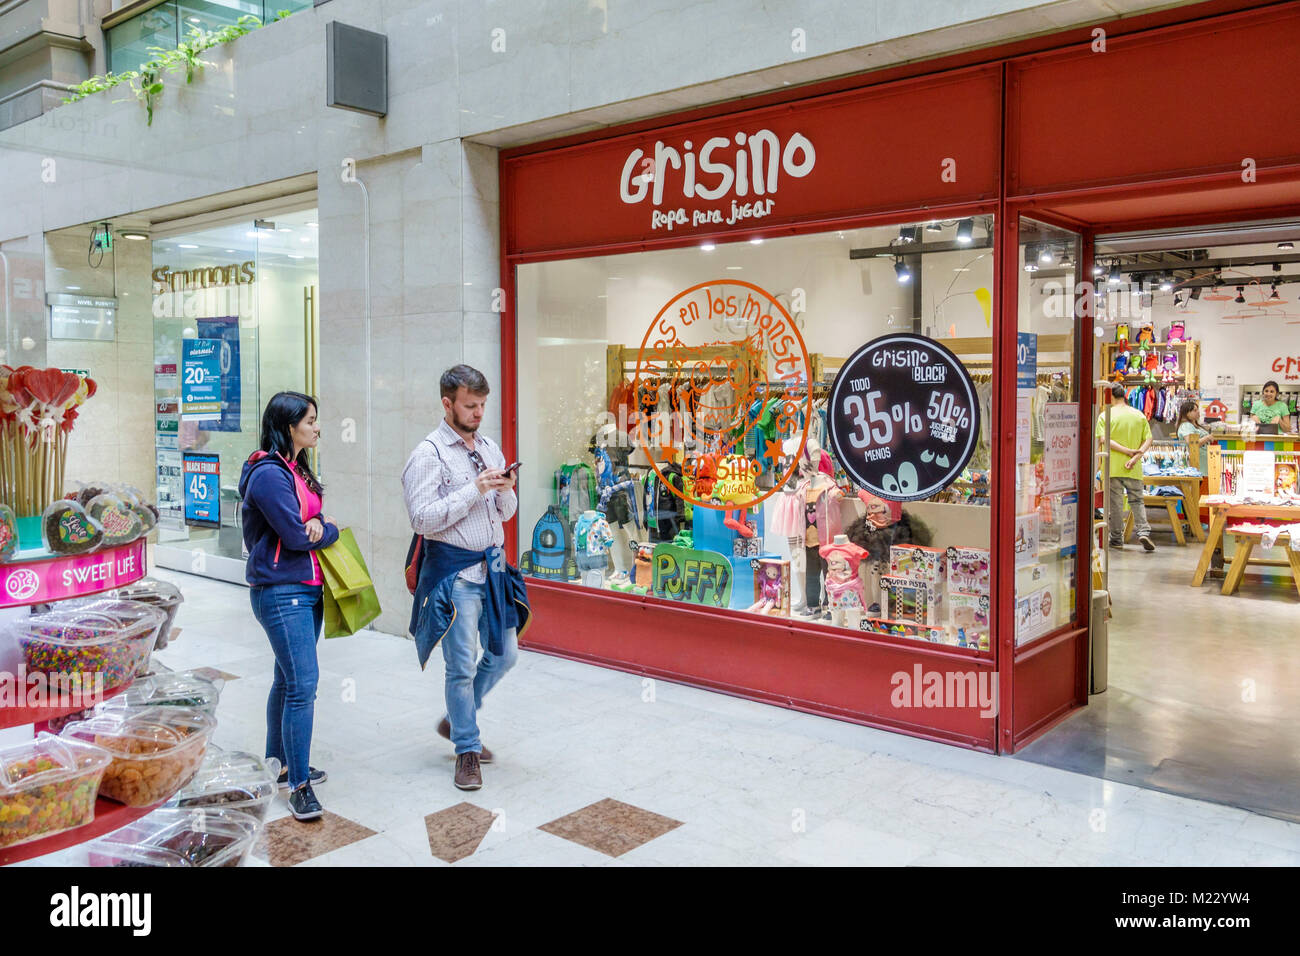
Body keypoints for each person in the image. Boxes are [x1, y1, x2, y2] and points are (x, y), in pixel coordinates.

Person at [402, 365, 530, 792]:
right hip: (454, 575)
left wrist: (505, 487)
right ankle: (466, 750)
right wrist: (474, 489)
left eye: (482, 406)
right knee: (458, 668)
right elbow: (422, 518)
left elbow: (506, 514)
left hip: (493, 571)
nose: (478, 413)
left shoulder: (490, 447)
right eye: (470, 406)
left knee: (505, 654)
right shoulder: (429, 454)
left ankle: (458, 719)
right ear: (447, 404)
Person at [238, 391, 339, 821]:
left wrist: (318, 525)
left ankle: (278, 765)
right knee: (303, 685)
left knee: (286, 680)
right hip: (281, 592)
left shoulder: (295, 469)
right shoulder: (267, 473)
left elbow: (306, 528)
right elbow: (299, 537)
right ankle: (299, 786)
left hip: (306, 588)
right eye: (311, 420)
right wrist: (327, 527)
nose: (317, 427)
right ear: (289, 424)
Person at [1097, 382, 1155, 552]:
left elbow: (1103, 439)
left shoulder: (1105, 415)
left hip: (1112, 466)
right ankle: (1143, 531)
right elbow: (1148, 439)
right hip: (1134, 468)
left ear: (1111, 396)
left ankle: (1116, 539)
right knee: (1137, 501)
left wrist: (1126, 451)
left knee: (1115, 503)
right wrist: (1136, 456)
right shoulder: (1138, 415)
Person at [1175, 399, 1214, 474]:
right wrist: (1207, 438)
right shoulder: (1186, 426)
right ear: (1187, 413)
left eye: (1198, 409)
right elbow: (1191, 443)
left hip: (1203, 464)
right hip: (1194, 465)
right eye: (1194, 410)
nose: (1198, 412)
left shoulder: (1196, 426)